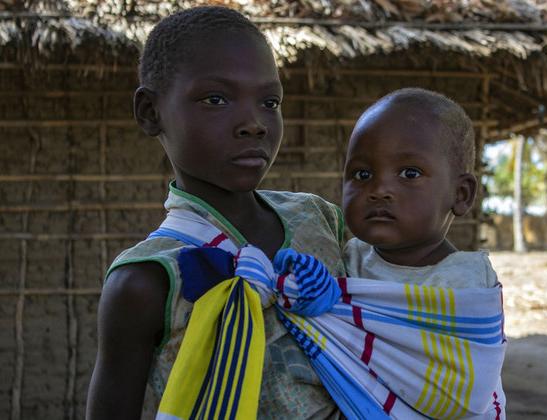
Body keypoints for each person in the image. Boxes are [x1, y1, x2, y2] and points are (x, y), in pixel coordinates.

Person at [86, 6, 346, 419]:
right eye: (216, 99)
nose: (254, 123)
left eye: (270, 101)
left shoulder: (320, 220)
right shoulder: (147, 280)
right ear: (150, 112)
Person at [343, 88, 499, 290]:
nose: (379, 190)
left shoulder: (468, 281)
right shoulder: (343, 261)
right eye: (362, 174)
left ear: (461, 194)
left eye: (410, 174)